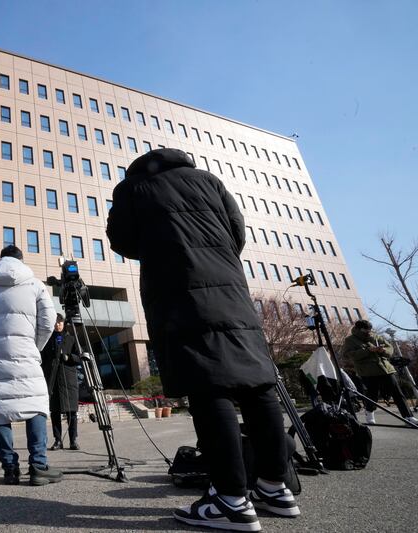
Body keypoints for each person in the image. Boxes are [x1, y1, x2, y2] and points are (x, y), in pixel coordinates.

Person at [107, 148, 299, 531]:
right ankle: (275, 487)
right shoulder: (210, 180)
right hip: (232, 291)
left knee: (210, 387)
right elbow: (236, 230)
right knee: (259, 385)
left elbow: (122, 240)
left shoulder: (134, 189)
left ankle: (230, 499)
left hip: (181, 293)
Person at [0, 245, 61, 486]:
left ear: (0, 259)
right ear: (21, 260)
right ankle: (39, 467)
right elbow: (48, 321)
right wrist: (34, 344)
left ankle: (10, 469)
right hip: (27, 350)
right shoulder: (35, 284)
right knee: (35, 403)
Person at [341, 320, 418, 426]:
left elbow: (390, 348)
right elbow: (348, 355)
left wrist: (383, 351)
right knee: (372, 395)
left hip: (386, 369)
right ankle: (369, 412)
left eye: (369, 330)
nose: (368, 332)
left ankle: (408, 417)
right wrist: (368, 351)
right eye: (365, 330)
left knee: (397, 393)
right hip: (368, 372)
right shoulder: (350, 340)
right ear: (358, 329)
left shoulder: (376, 336)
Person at [41, 314, 81, 450]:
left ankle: (73, 440)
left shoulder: (71, 338)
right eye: (55, 323)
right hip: (53, 380)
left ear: (64, 323)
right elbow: (42, 360)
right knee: (55, 412)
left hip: (69, 380)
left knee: (72, 413)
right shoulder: (47, 340)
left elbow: (79, 357)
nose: (57, 325)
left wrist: (69, 357)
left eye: (60, 322)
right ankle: (58, 440)